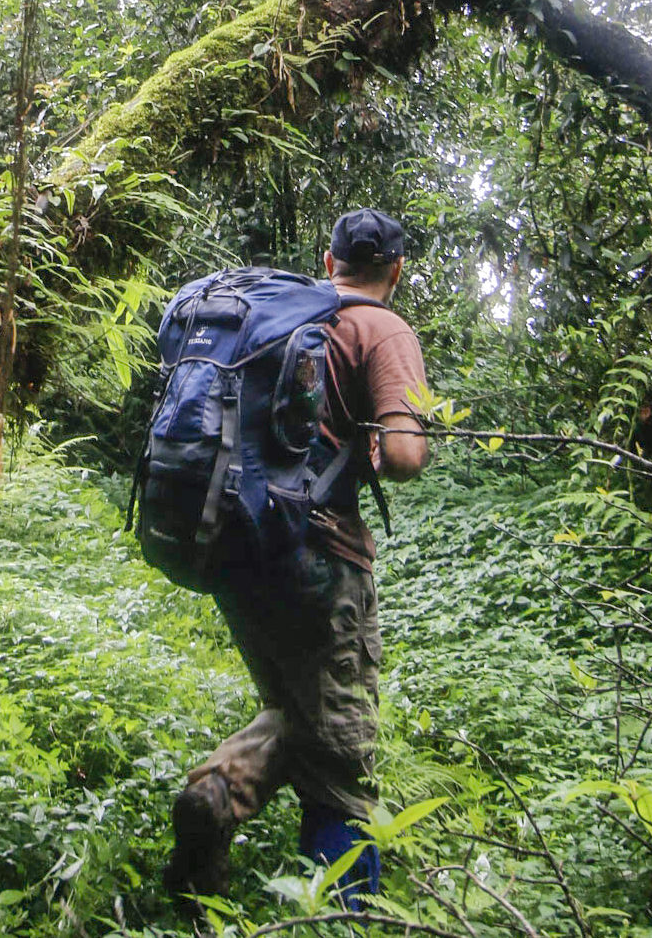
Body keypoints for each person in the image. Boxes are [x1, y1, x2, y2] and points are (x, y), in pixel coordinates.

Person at [163, 207, 430, 912]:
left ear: (327, 258)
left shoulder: (283, 316)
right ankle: (343, 914)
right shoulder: (383, 328)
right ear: (395, 270)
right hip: (320, 557)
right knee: (341, 752)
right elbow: (404, 456)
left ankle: (217, 791)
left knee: (294, 707)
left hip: (239, 545)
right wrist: (387, 442)